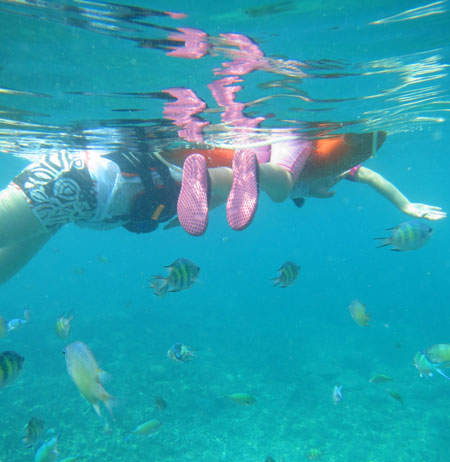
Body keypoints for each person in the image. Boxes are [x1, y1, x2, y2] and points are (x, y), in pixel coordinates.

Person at [0, 131, 445, 285]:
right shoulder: (312, 163)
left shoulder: (195, 173)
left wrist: (405, 202)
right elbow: (367, 174)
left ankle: (242, 173)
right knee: (269, 184)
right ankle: (249, 173)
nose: (325, 193)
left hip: (78, 190)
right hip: (84, 187)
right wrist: (405, 202)